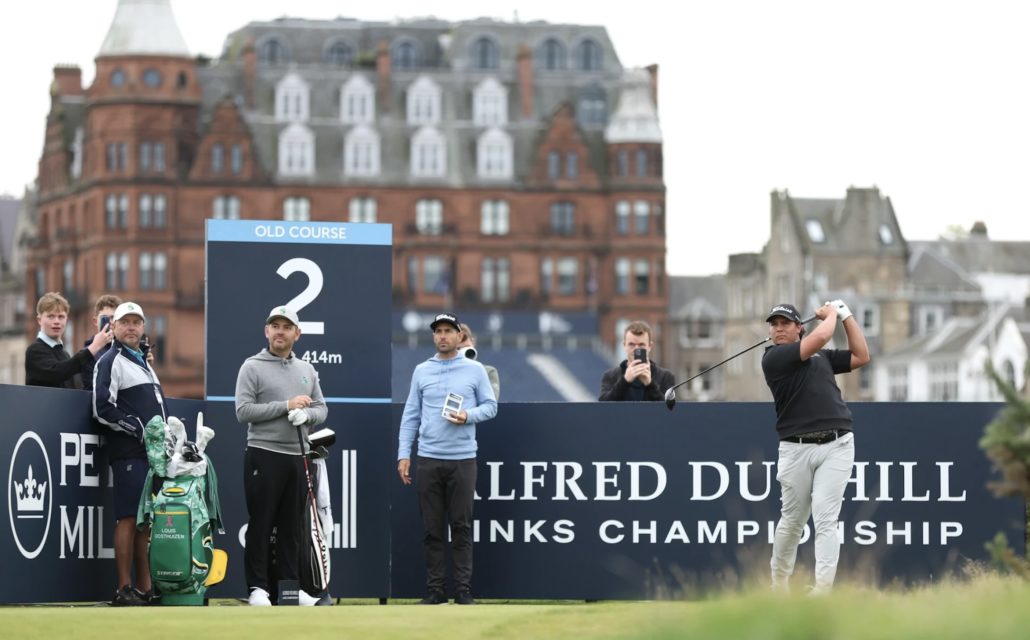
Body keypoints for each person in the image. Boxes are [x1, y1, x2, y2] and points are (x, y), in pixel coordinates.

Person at [761, 300, 870, 595]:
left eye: (785, 323)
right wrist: (832, 314)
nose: (778, 329)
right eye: (774, 324)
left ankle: (822, 591)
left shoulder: (821, 356)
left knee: (825, 519)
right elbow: (820, 336)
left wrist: (846, 315)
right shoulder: (773, 358)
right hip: (795, 449)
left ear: (799, 328)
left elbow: (861, 356)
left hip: (838, 444)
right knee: (793, 522)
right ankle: (779, 587)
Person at [397, 312, 498, 605]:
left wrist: (468, 415)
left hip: (463, 460)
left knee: (462, 527)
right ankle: (436, 590)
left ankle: (463, 590)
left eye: (448, 331)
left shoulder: (475, 370)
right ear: (434, 336)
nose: (442, 336)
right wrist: (404, 453)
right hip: (428, 459)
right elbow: (410, 416)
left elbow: (491, 407)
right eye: (438, 331)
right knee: (431, 529)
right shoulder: (421, 371)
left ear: (459, 336)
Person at [235, 305, 328, 607]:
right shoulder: (252, 366)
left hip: (297, 457)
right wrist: (286, 406)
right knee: (261, 523)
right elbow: (243, 411)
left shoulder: (307, 370)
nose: (279, 331)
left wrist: (308, 416)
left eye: (286, 327)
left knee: (292, 526)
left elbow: (322, 409)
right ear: (266, 332)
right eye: (274, 326)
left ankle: (290, 587)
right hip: (263, 454)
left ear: (296, 334)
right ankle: (258, 589)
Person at [92, 301, 165, 606]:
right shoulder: (110, 360)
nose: (132, 327)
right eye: (126, 322)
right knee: (127, 518)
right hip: (128, 453)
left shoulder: (144, 362)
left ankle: (145, 588)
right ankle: (123, 588)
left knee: (145, 523)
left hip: (150, 456)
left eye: (137, 323)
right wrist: (135, 426)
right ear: (115, 327)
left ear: (143, 328)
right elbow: (101, 408)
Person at [25, 291, 111, 388]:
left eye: (61, 317)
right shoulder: (34, 350)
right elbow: (58, 372)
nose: (56, 321)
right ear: (39, 320)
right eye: (51, 316)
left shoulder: (64, 354)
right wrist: (94, 347)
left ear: (66, 319)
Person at [598, 320, 676, 401]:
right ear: (625, 346)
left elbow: (669, 409)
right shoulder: (611, 376)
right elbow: (604, 406)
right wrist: (625, 381)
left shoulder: (666, 377)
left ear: (650, 346)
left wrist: (649, 385)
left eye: (641, 345)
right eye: (631, 344)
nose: (636, 349)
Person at [81, 294, 122, 391]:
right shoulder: (88, 353)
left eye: (113, 318)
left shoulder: (126, 350)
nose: (110, 322)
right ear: (95, 321)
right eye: (105, 318)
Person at [458, 322, 500, 400]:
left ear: (473, 342)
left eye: (467, 348)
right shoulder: (441, 372)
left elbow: (490, 401)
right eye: (458, 349)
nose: (463, 352)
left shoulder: (488, 372)